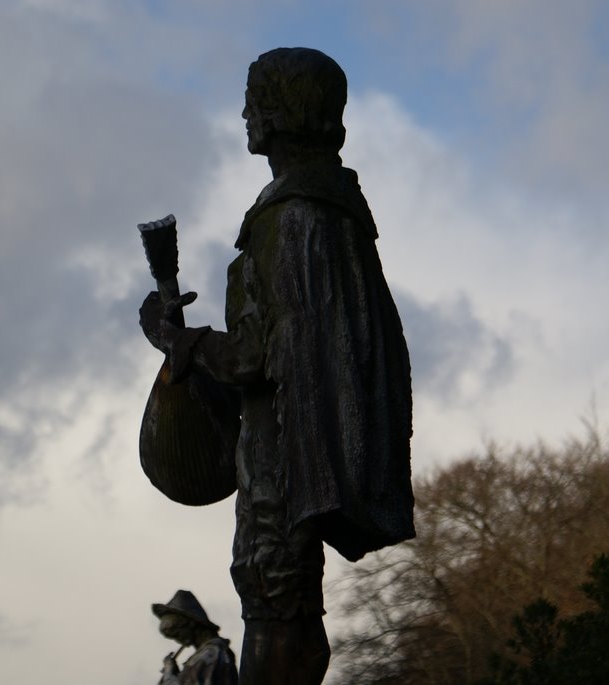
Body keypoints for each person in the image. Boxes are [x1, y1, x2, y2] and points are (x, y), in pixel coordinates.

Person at [140, 47, 414, 685]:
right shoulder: (334, 210)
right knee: (289, 610)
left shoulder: (288, 216)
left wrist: (181, 343)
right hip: (300, 450)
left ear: (274, 115)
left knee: (272, 605)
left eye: (252, 100)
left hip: (283, 457)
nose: (242, 114)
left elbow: (262, 354)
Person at [154, 590, 238, 685]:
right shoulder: (205, 653)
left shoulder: (211, 653)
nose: (178, 640)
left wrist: (169, 674)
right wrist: (177, 675)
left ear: (190, 623)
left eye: (177, 634)